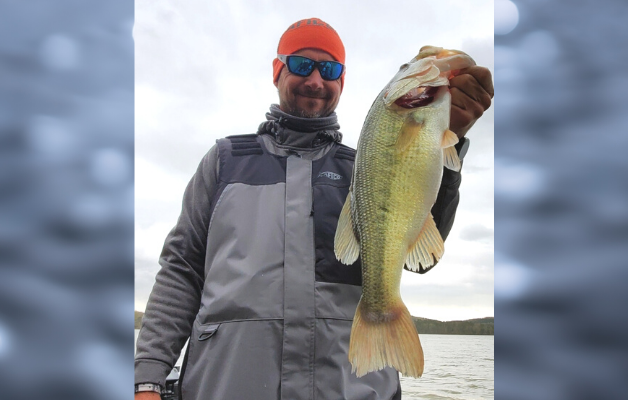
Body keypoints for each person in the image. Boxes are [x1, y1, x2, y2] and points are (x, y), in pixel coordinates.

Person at [135, 17, 493, 400]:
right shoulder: (224, 162)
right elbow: (181, 271)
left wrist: (447, 144)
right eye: (302, 65)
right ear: (278, 71)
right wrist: (147, 379)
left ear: (342, 81)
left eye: (330, 69)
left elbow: (419, 259)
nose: (316, 80)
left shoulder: (365, 170)